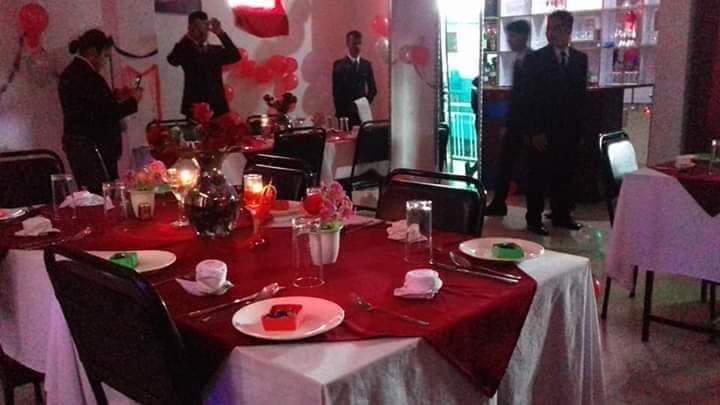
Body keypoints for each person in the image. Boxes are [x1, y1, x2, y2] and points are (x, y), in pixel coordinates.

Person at [523, 10, 588, 235]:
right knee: (538, 176)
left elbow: (580, 98)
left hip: (568, 130)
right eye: (549, 28)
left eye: (557, 28)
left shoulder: (580, 59)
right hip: (543, 129)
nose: (551, 33)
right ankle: (534, 219)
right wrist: (535, 131)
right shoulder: (536, 59)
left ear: (568, 30)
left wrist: (579, 130)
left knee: (565, 174)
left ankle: (562, 215)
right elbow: (529, 98)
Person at [59, 29, 143, 194]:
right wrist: (133, 100)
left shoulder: (71, 73)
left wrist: (115, 97)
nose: (104, 61)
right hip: (94, 147)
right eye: (104, 55)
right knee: (102, 194)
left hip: (80, 145)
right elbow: (106, 114)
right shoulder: (88, 77)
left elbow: (93, 107)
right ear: (92, 52)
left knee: (92, 194)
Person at [485, 20, 533, 216]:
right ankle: (499, 202)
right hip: (516, 123)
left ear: (523, 36)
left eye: (512, 36)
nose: (509, 40)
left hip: (526, 124)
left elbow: (528, 97)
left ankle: (528, 209)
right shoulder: (519, 60)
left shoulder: (532, 60)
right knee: (505, 163)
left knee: (525, 166)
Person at [168, 11, 241, 118]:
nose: (202, 31)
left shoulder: (215, 50)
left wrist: (220, 33)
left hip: (217, 106)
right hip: (194, 106)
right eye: (197, 27)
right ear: (190, 28)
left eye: (204, 26)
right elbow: (172, 60)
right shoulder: (185, 50)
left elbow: (235, 56)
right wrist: (188, 36)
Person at [332, 31, 377, 128]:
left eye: (359, 43)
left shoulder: (366, 65)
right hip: (345, 113)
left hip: (363, 112)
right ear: (348, 44)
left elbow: (373, 89)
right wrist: (342, 112)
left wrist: (363, 103)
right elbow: (336, 92)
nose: (357, 46)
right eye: (354, 43)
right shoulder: (339, 65)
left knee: (365, 136)